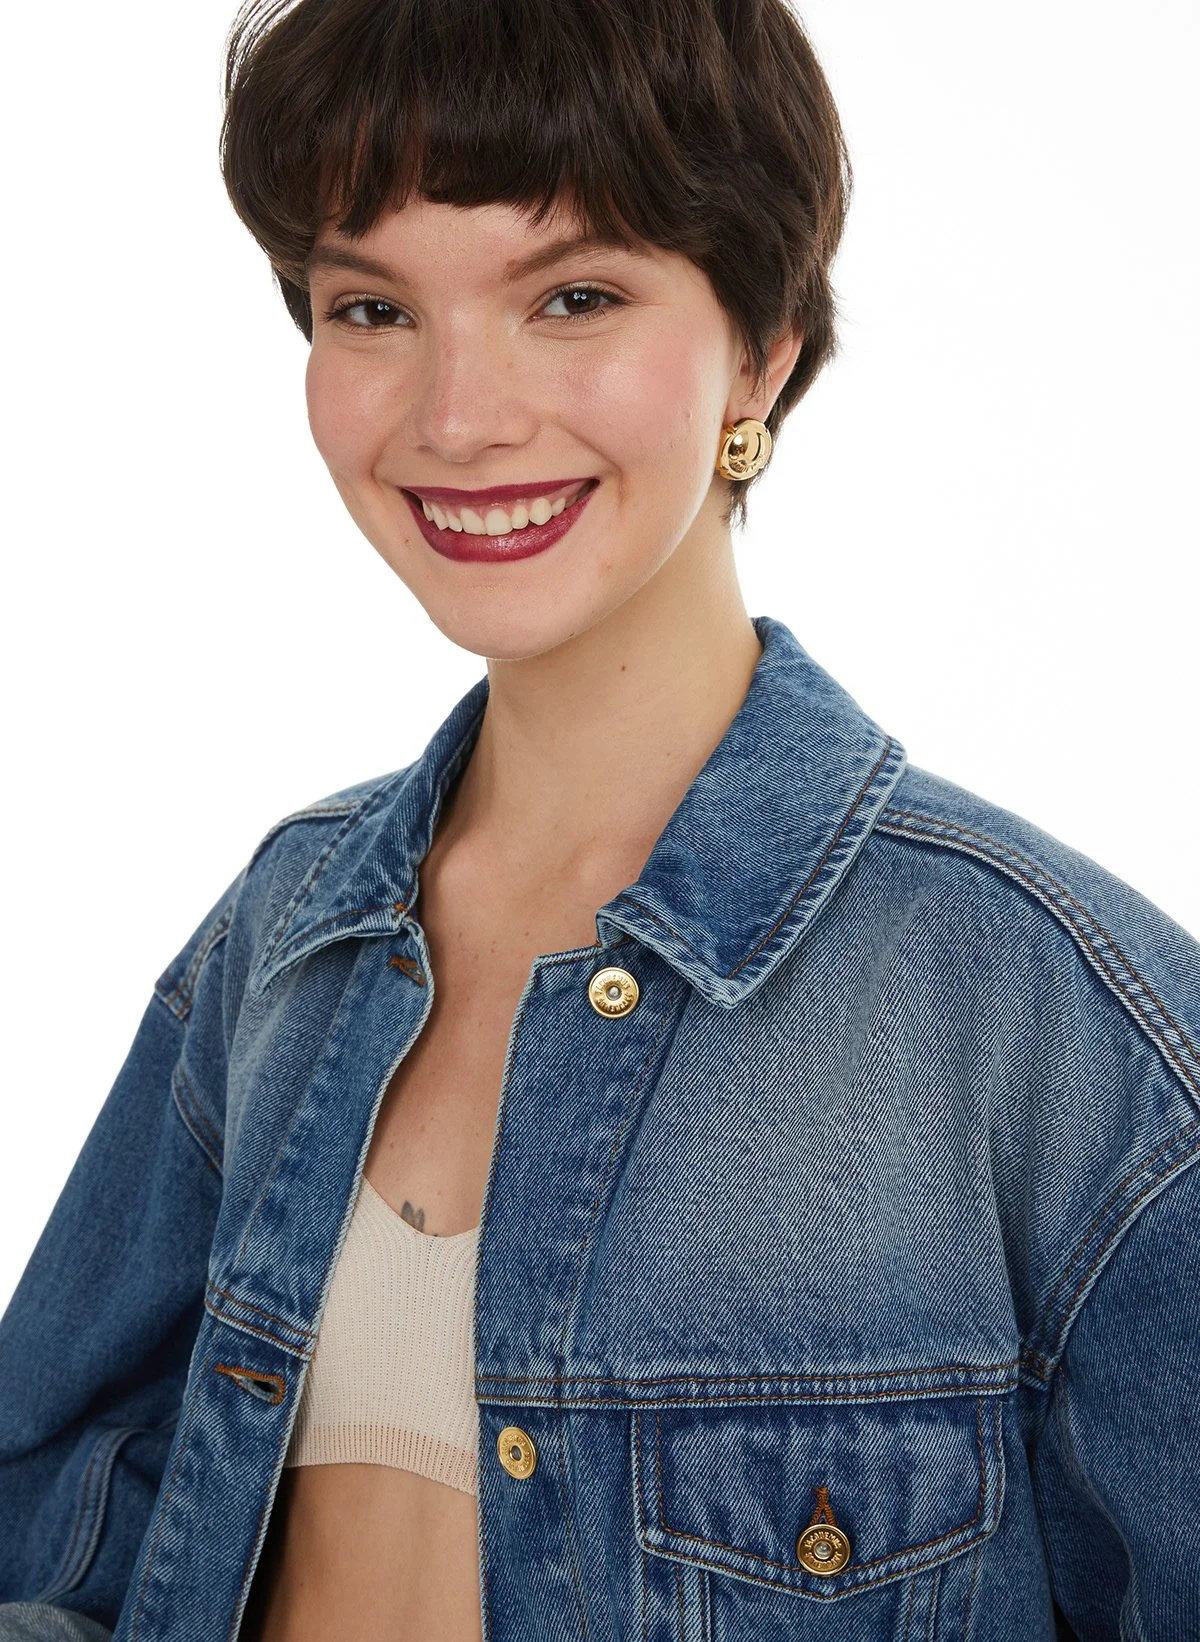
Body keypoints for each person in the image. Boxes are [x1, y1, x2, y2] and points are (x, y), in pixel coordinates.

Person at [2, 0, 1198, 1637]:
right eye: (373, 307)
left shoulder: (1050, 1020)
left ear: (762, 347)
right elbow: (52, 1527)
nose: (457, 416)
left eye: (573, 297)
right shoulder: (289, 933)